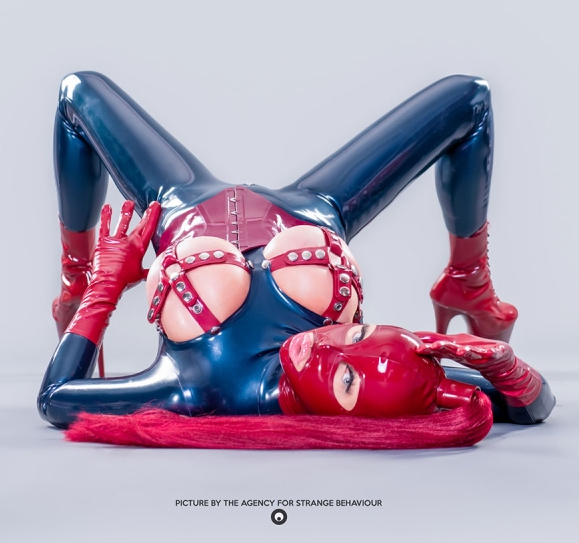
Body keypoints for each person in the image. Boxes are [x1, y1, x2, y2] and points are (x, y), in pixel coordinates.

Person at [38, 72, 554, 448]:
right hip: (311, 210)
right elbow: (534, 404)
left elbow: (56, 397)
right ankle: (468, 279)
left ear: (354, 421)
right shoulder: (410, 377)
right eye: (356, 334)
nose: (325, 348)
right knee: (468, 98)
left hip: (183, 205)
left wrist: (101, 285)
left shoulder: (201, 391)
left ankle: (72, 283)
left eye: (344, 381)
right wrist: (504, 365)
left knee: (78, 91)